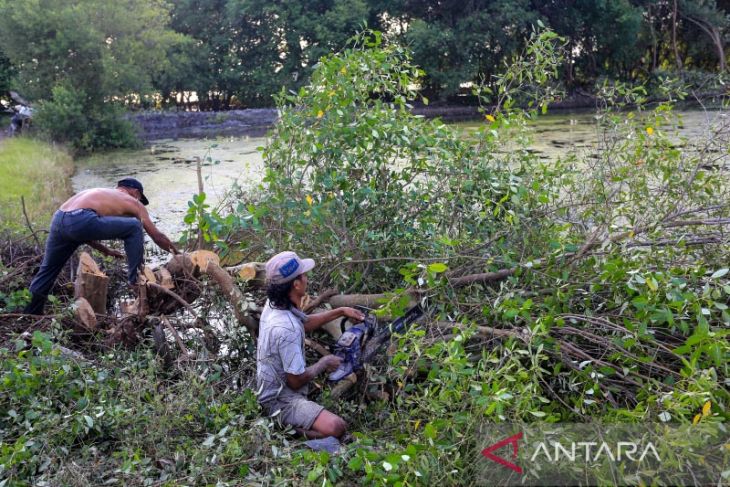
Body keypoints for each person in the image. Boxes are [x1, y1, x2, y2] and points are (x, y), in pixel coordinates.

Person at [23, 178, 178, 315]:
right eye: (139, 198)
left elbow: (77, 227)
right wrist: (177, 254)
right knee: (134, 226)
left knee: (47, 271)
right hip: (80, 219)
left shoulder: (101, 194)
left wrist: (105, 250)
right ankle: (134, 280)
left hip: (59, 220)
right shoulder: (132, 200)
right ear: (135, 192)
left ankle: (30, 315)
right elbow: (156, 236)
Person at [257, 251, 364, 439]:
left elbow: (303, 323)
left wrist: (340, 311)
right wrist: (324, 363)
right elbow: (295, 381)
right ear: (296, 284)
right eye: (304, 275)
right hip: (280, 401)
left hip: (272, 390)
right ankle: (283, 429)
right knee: (337, 427)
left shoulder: (274, 304)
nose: (307, 279)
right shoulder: (286, 328)